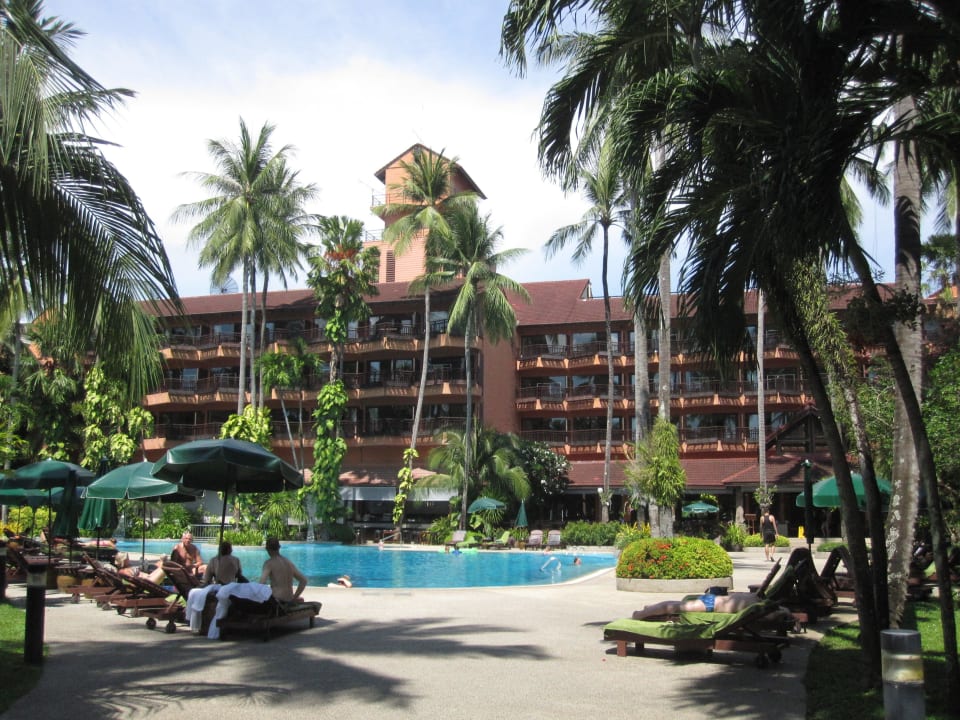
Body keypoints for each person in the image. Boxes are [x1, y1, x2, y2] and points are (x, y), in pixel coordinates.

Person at [259, 536, 307, 603]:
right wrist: (295, 597)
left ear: (267, 549)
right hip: (289, 599)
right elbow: (304, 580)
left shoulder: (269, 563)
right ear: (279, 547)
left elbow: (261, 584)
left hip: (277, 601)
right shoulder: (288, 562)